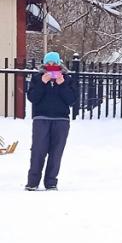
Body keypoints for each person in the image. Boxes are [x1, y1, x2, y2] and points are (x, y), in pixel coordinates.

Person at [25, 51, 77, 191]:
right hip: (41, 118)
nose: (51, 65)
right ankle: (32, 182)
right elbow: (32, 98)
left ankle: (51, 182)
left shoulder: (67, 79)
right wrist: (43, 82)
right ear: (44, 64)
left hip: (61, 119)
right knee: (38, 150)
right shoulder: (37, 78)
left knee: (56, 152)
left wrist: (63, 84)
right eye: (48, 63)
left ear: (59, 64)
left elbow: (72, 100)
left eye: (54, 63)